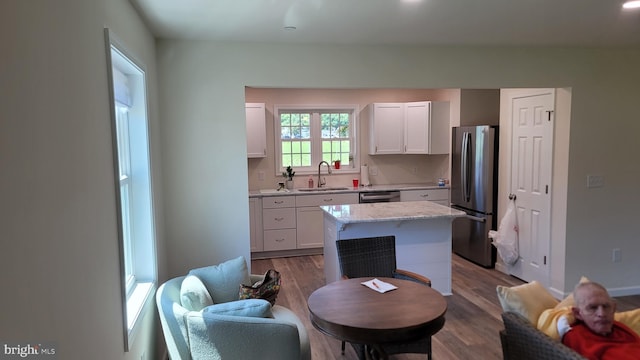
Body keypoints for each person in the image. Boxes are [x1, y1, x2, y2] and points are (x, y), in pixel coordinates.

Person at [558, 281, 640, 360]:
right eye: (593, 308)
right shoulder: (575, 336)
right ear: (578, 313)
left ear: (614, 308)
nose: (602, 314)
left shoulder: (619, 328)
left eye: (606, 306)